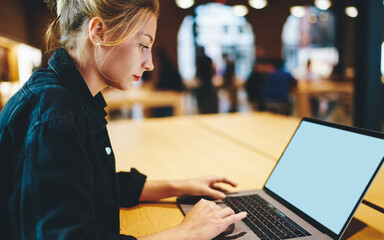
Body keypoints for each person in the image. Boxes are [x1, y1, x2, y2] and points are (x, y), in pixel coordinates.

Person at [0, 0, 246, 239]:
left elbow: (92, 185)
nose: (149, 63)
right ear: (99, 32)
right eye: (143, 45)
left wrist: (180, 186)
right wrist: (186, 233)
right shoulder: (55, 113)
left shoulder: (69, 96)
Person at [195, 46, 218, 114]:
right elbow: (213, 70)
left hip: (204, 81)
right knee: (209, 96)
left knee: (203, 97)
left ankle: (204, 110)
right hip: (208, 80)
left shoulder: (200, 60)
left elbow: (198, 71)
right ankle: (209, 110)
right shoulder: (208, 59)